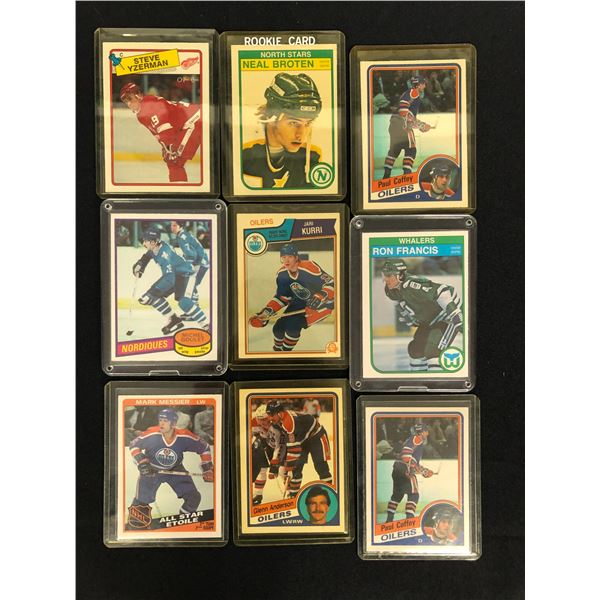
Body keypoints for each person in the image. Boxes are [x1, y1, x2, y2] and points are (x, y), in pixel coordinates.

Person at [127, 409, 214, 527]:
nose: (161, 423)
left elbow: (204, 448)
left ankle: (183, 523)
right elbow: (133, 445)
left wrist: (208, 468)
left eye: (165, 421)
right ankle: (135, 526)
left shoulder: (184, 436)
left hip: (175, 469)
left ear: (173, 424)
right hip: (152, 470)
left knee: (193, 498)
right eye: (160, 420)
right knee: (141, 502)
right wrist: (142, 462)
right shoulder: (152, 433)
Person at [242, 73, 323, 188]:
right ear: (271, 117)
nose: (301, 135)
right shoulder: (244, 153)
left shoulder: (313, 156)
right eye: (293, 123)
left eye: (308, 123)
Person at [249, 244, 334, 352]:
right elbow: (283, 298)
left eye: (289, 256)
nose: (286, 260)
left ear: (296, 257)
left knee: (292, 327)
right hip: (299, 303)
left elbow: (332, 283)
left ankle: (285, 354)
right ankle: (277, 352)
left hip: (322, 304)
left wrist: (320, 296)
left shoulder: (309, 266)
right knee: (278, 328)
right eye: (283, 257)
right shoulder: (282, 275)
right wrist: (266, 312)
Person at [381, 259, 463, 371]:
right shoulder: (391, 290)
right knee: (416, 351)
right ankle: (419, 380)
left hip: (447, 317)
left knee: (433, 351)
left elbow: (443, 291)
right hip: (431, 320)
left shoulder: (412, 285)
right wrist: (412, 317)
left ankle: (436, 380)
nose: (385, 279)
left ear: (400, 275)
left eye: (389, 275)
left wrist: (456, 318)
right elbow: (405, 302)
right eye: (384, 275)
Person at [119, 82, 201, 182]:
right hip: (190, 122)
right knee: (172, 161)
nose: (128, 104)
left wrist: (169, 145)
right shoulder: (141, 115)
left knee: (174, 161)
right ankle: (178, 188)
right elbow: (159, 132)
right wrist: (166, 146)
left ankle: (179, 190)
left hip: (194, 120)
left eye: (129, 99)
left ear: (138, 95)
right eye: (125, 101)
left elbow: (164, 126)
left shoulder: (149, 104)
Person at [132, 228, 209, 335]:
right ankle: (173, 319)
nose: (143, 243)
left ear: (153, 242)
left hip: (185, 275)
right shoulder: (155, 247)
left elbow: (170, 278)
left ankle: (207, 325)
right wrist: (141, 264)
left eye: (145, 241)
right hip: (175, 275)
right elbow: (148, 255)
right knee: (152, 297)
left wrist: (152, 291)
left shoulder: (165, 254)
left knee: (184, 302)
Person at [266, 400, 332, 498]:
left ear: (280, 413)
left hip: (316, 435)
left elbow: (294, 449)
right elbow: (282, 444)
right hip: (302, 439)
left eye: (272, 415)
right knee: (296, 468)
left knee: (321, 466)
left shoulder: (288, 422)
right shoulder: (277, 423)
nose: (270, 418)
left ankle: (329, 492)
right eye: (268, 415)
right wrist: (274, 467)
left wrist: (289, 466)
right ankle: (294, 495)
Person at [381, 75, 433, 179]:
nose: (424, 86)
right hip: (401, 125)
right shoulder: (414, 92)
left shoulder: (407, 92)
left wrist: (421, 125)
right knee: (411, 149)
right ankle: (407, 175)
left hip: (394, 124)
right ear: (419, 85)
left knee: (394, 150)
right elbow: (403, 111)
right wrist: (421, 125)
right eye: (423, 84)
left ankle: (386, 176)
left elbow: (408, 115)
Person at [385, 424, 434, 522]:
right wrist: (409, 469)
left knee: (397, 495)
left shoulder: (410, 439)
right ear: (421, 432)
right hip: (404, 468)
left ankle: (389, 520)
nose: (427, 433)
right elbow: (406, 455)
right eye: (426, 431)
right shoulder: (417, 439)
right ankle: (409, 520)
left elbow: (412, 461)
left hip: (397, 468)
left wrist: (423, 470)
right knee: (414, 494)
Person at [250, 404, 284, 505]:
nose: (263, 422)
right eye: (260, 419)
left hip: (279, 446)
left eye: (265, 419)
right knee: (261, 469)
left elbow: (279, 446)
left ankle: (291, 491)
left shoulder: (277, 425)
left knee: (283, 470)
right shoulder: (252, 422)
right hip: (264, 443)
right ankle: (258, 494)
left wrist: (274, 465)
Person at [170, 220, 210, 304]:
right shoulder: (184, 235)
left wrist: (195, 264)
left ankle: (193, 306)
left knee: (190, 283)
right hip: (202, 261)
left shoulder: (182, 237)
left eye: (174, 225)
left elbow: (192, 253)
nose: (172, 227)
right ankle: (194, 306)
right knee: (191, 284)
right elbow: (193, 251)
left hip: (200, 262)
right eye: (171, 225)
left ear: (180, 226)